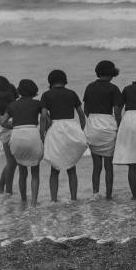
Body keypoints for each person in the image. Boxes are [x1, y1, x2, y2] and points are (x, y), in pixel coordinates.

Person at [41, 70, 87, 201]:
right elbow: (81, 115)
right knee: (71, 168)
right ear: (64, 80)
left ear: (50, 81)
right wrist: (81, 132)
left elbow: (44, 115)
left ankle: (54, 200)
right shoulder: (71, 93)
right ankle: (73, 199)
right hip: (71, 128)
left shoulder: (46, 95)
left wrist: (43, 134)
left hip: (56, 129)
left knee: (55, 169)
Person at [83, 60, 122, 200]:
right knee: (108, 166)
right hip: (107, 125)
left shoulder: (89, 87)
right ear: (111, 73)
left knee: (96, 165)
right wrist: (120, 126)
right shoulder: (114, 88)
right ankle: (109, 195)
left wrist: (93, 120)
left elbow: (85, 109)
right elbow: (117, 112)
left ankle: (95, 193)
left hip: (93, 125)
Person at [1, 79, 43, 205]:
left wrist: (13, 126)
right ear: (34, 91)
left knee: (22, 172)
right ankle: (34, 202)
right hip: (32, 136)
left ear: (19, 91)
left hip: (17, 137)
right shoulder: (38, 103)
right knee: (35, 172)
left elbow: (2, 121)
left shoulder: (12, 105)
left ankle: (23, 200)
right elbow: (46, 116)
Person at [0, 76, 18, 195]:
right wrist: (11, 124)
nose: (2, 95)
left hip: (15, 123)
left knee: (12, 162)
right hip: (4, 128)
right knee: (12, 162)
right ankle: (7, 191)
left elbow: (17, 102)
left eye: (4, 93)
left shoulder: (11, 88)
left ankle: (0, 187)